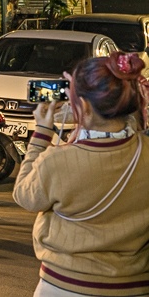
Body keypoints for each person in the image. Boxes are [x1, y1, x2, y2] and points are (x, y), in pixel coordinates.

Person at [14, 52, 149, 297]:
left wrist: (42, 134)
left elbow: (25, 195)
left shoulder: (57, 161)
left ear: (84, 105)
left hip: (64, 286)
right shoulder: (145, 152)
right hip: (135, 285)